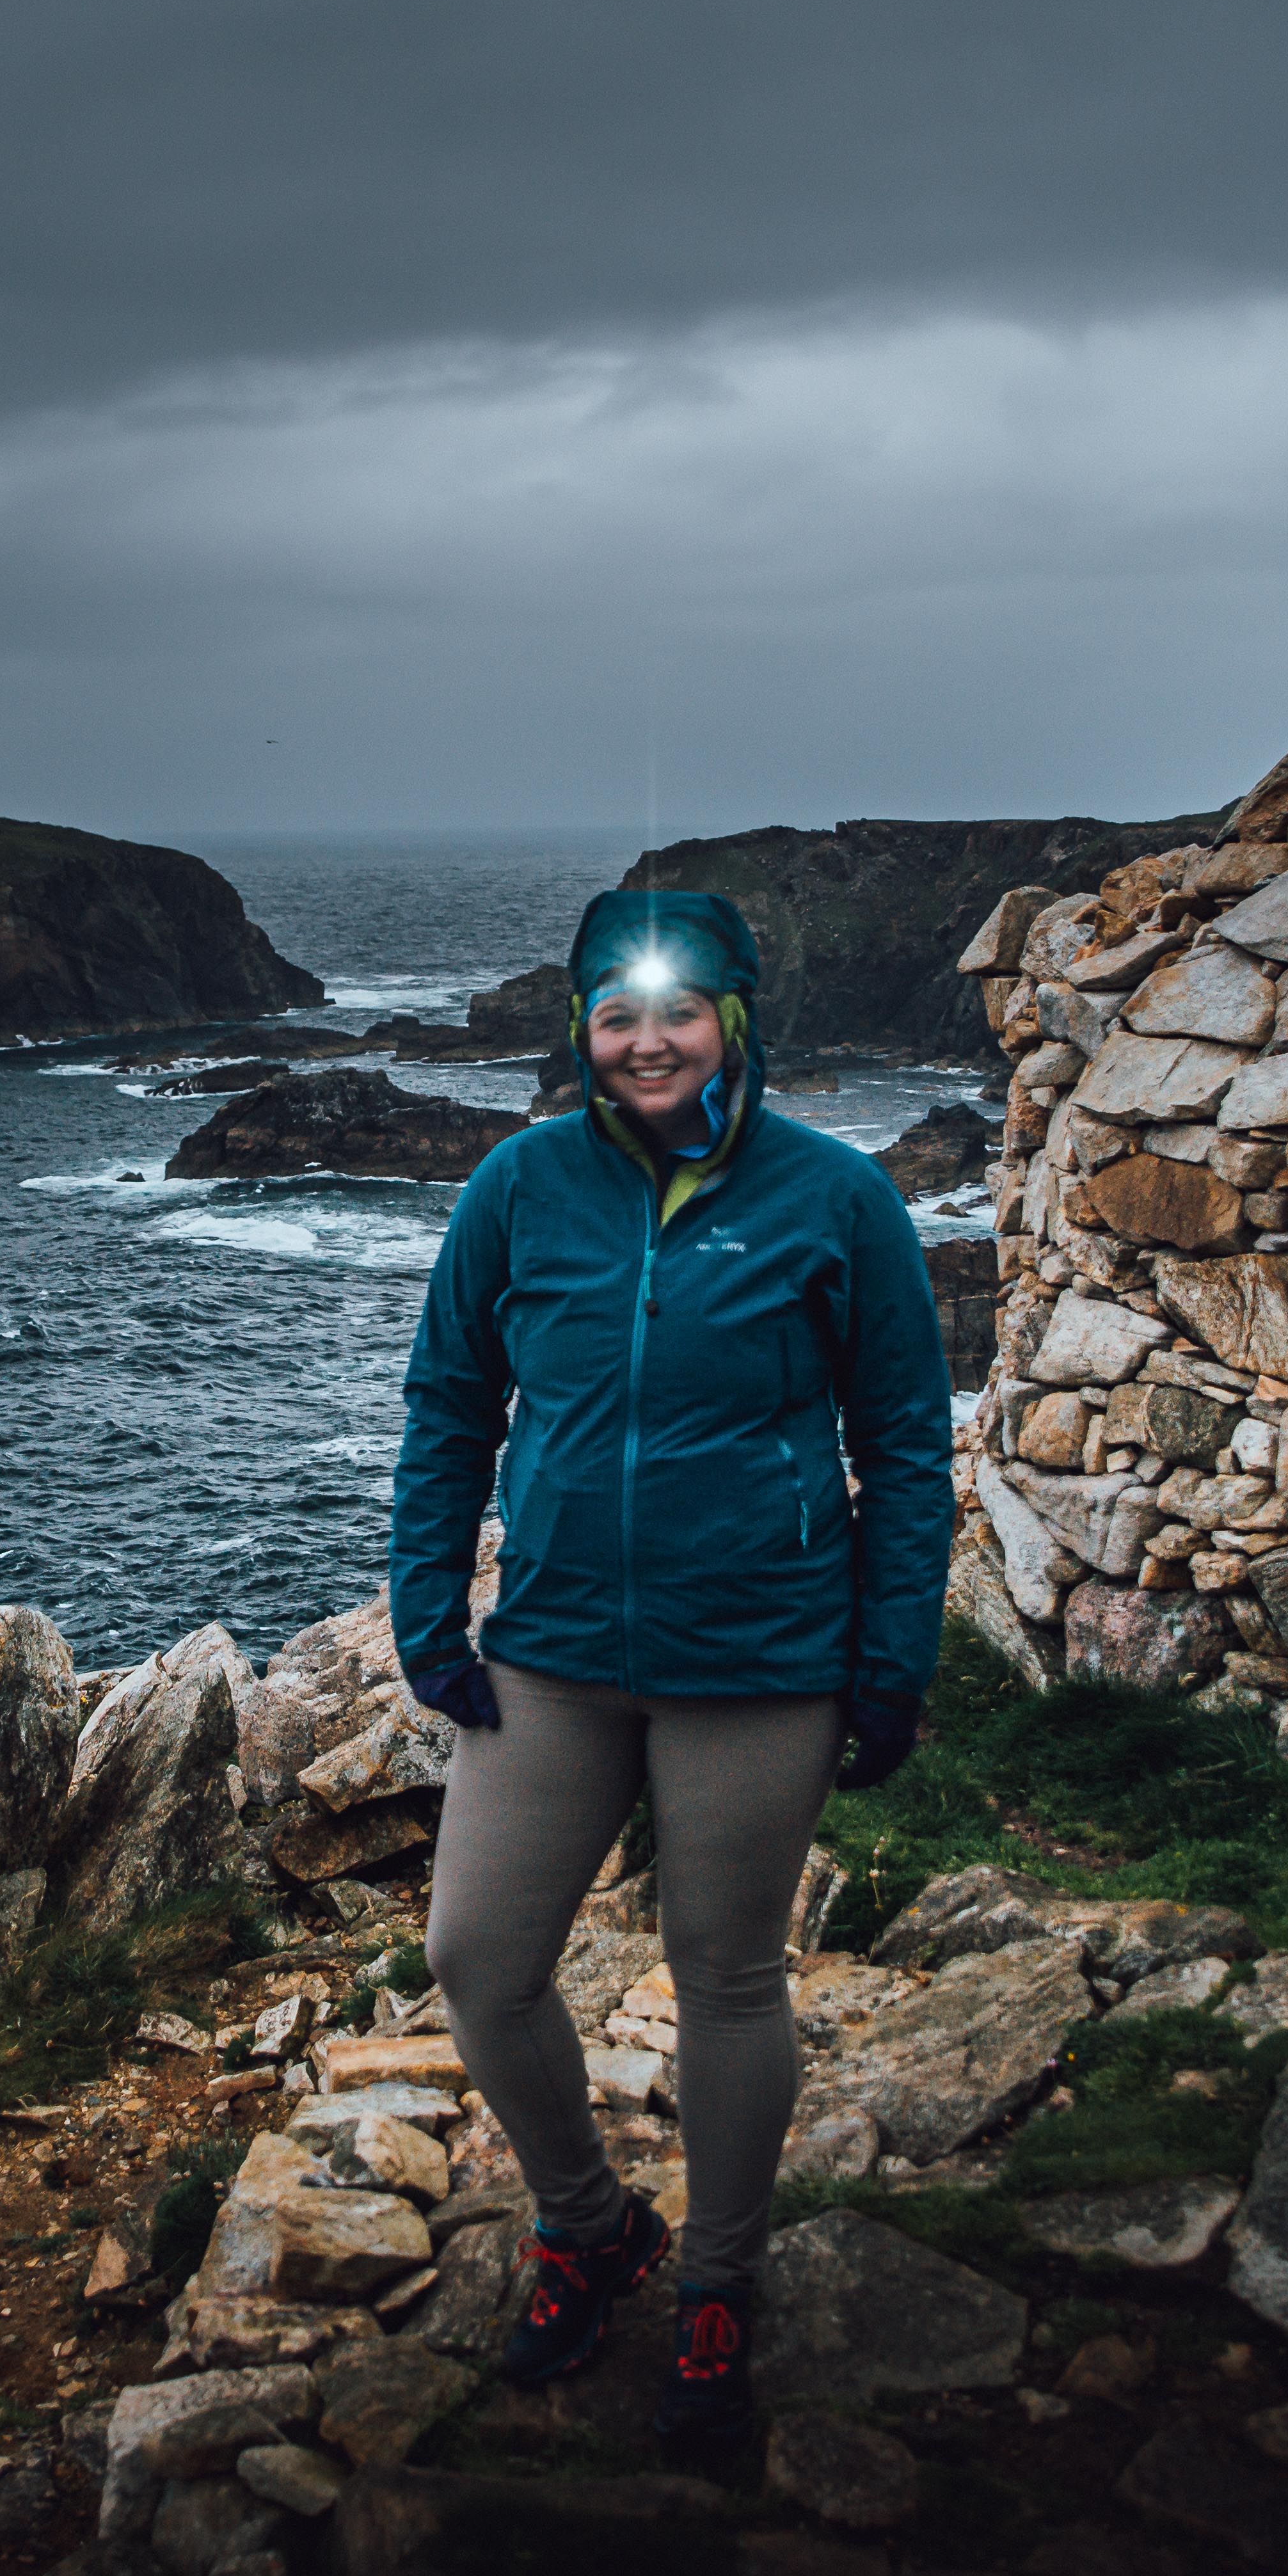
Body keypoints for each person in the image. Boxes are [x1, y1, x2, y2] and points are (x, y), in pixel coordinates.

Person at [387, 886, 955, 2461]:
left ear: (737, 1019)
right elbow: (449, 1405)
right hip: (554, 1649)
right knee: (478, 1962)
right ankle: (586, 2225)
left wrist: (887, 1658)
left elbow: (905, 1447)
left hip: (759, 1655)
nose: (645, 1039)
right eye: (616, 1010)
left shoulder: (837, 1199)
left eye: (678, 1008)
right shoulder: (515, 1187)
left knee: (723, 1972)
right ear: (581, 1025)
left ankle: (716, 2278)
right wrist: (427, 1607)